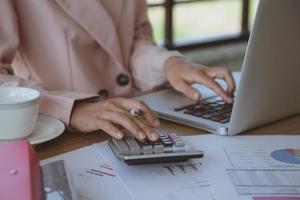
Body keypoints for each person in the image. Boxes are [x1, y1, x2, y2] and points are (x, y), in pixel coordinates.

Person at [0, 0, 235, 141]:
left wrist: (168, 64)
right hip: (60, 134)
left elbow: (133, 43)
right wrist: (72, 110)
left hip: (134, 120)